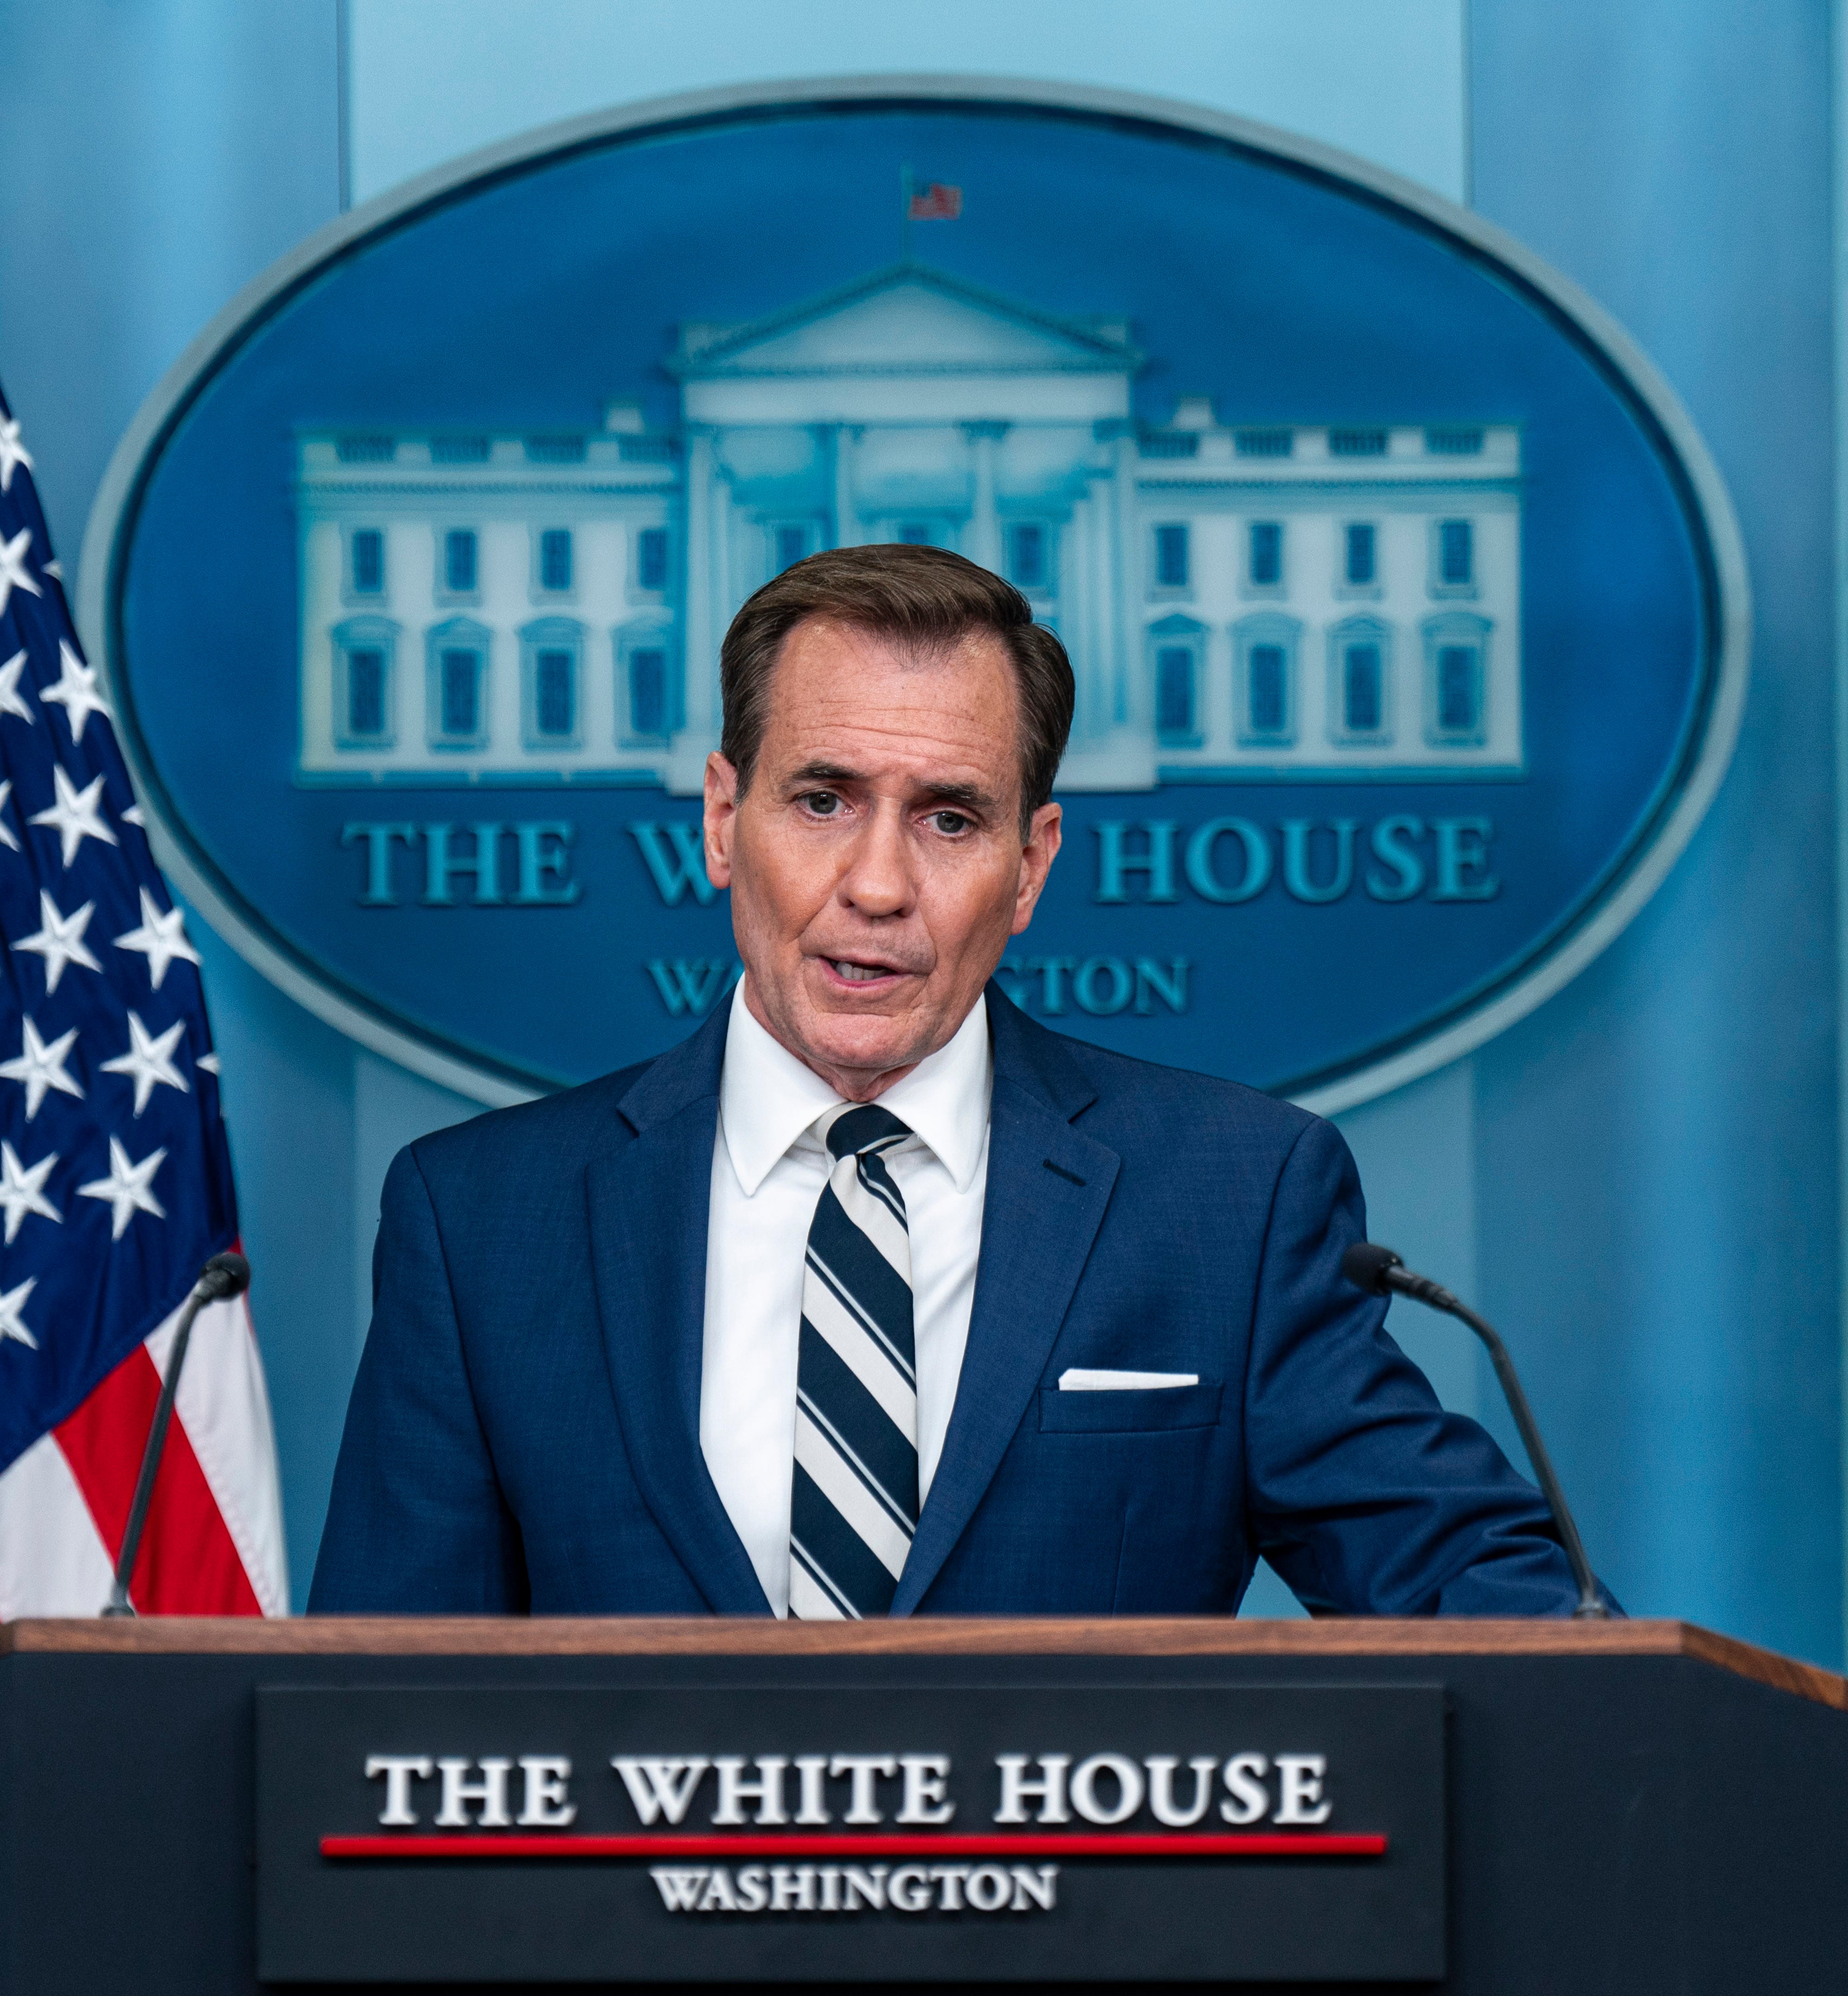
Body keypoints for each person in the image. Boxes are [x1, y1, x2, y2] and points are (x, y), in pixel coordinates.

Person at [309, 544, 1582, 1617]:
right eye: (820, 800)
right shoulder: (480, 1222)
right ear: (718, 817)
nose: (875, 885)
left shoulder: (1231, 1201)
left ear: (1030, 867)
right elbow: (370, 1716)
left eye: (949, 819)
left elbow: (1474, 1592)